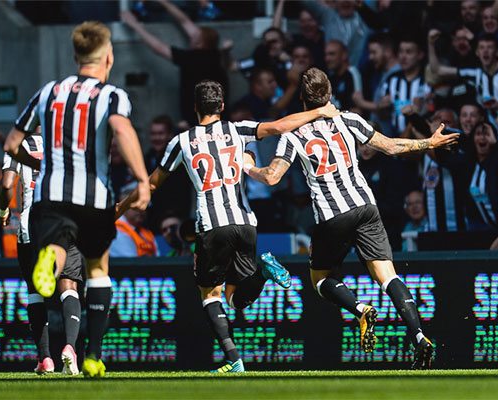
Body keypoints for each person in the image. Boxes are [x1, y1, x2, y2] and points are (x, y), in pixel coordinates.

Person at [117, 79, 339, 373]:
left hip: (212, 224)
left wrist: (119, 208)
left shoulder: (181, 141)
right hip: (245, 223)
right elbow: (280, 126)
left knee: (210, 294)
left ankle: (234, 359)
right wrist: (319, 111)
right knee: (236, 298)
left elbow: (153, 183)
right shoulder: (238, 129)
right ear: (222, 106)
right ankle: (261, 271)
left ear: (195, 108)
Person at [244, 67, 459, 369]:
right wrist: (430, 143)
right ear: (329, 95)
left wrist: (249, 165)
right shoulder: (349, 120)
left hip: (332, 215)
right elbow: (392, 146)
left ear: (303, 101)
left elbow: (272, 177)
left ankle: (359, 309)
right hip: (366, 206)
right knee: (388, 276)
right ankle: (419, 335)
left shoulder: (294, 134)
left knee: (321, 280)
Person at [3, 21, 151, 378]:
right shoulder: (113, 95)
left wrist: (37, 161)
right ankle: (93, 356)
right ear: (109, 57)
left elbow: (10, 144)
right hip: (94, 195)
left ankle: (47, 269)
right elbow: (122, 129)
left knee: (54, 249)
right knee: (97, 269)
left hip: (51, 193)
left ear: (75, 56)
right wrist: (142, 179)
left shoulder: (47, 92)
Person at [0, 133, 86, 375]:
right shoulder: (67, 143)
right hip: (65, 220)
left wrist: (3, 210)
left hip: (30, 224)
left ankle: (44, 358)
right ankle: (70, 347)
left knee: (35, 291)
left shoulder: (19, 146)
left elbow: (7, 185)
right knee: (68, 286)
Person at [121, 0, 229, 124]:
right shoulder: (215, 56)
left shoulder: (193, 59)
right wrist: (164, 2)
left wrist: (134, 25)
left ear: (200, 42)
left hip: (196, 121)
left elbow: (159, 47)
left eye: (196, 35)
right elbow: (185, 22)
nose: (192, 34)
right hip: (218, 119)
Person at [430, 30, 498, 135]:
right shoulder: (474, 73)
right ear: (477, 52)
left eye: (489, 47)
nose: (485, 51)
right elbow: (437, 70)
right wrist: (430, 44)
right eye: (482, 48)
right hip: (484, 133)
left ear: (497, 51)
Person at [111, 188, 158, 257]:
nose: (140, 209)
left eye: (144, 205)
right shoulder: (115, 229)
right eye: (135, 206)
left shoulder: (146, 232)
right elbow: (130, 263)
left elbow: (158, 257)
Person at [325, 40, 362, 112]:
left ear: (344, 55)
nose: (327, 59)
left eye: (332, 54)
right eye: (326, 55)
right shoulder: (331, 78)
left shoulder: (352, 74)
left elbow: (358, 109)